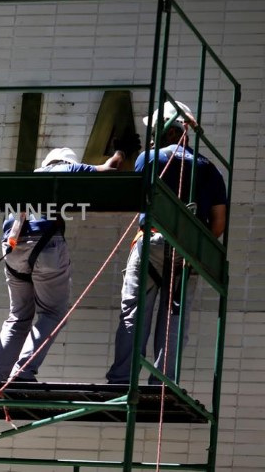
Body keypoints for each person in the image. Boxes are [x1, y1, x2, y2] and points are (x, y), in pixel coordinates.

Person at [106, 101, 227, 385]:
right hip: (187, 251)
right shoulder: (209, 170)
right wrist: (196, 247)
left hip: (151, 244)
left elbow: (133, 198)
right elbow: (218, 222)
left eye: (156, 130)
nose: (152, 137)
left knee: (135, 314)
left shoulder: (149, 158)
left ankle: (122, 380)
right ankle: (162, 383)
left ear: (170, 131)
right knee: (174, 320)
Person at [0, 145, 129, 383]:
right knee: (53, 312)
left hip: (12, 247)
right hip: (44, 244)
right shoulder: (65, 168)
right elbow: (110, 169)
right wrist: (121, 151)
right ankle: (22, 372)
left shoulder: (29, 178)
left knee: (19, 314)